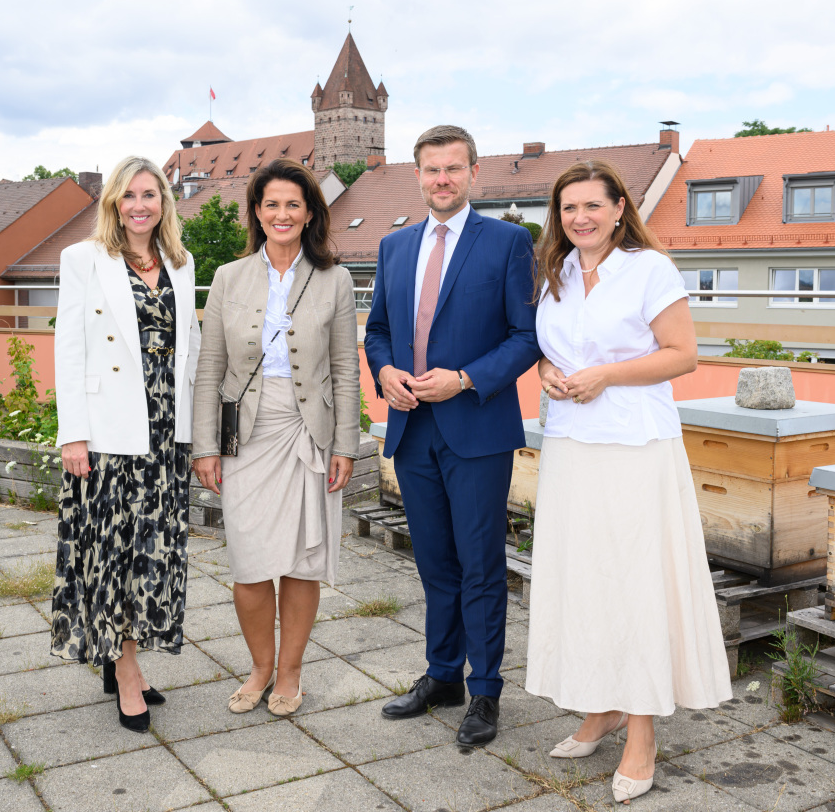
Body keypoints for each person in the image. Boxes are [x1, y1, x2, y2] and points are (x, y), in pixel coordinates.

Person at [525, 160, 733, 803]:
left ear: (620, 208)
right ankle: (602, 706)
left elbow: (683, 354)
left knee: (634, 582)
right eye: (568, 208)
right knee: (584, 580)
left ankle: (641, 731)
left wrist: (606, 376)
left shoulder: (650, 268)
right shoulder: (554, 272)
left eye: (593, 206)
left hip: (634, 445)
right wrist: (548, 372)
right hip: (568, 444)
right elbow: (548, 347)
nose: (580, 218)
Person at [364, 125, 540, 748]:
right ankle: (443, 676)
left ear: (473, 173)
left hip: (477, 429)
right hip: (412, 429)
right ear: (417, 174)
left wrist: (465, 379)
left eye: (453, 169)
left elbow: (526, 337)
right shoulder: (395, 246)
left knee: (481, 567)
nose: (442, 179)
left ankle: (486, 689)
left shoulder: (510, 243)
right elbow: (378, 327)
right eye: (431, 169)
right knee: (435, 563)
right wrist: (384, 370)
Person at [191, 157, 359, 718]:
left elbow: (345, 369)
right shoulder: (227, 277)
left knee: (300, 561)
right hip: (248, 433)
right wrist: (204, 445)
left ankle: (290, 673)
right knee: (250, 560)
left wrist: (345, 445)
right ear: (257, 213)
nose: (282, 214)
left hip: (309, 430)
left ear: (309, 212)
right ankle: (259, 666)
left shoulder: (335, 279)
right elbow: (208, 367)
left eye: (293, 204)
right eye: (271, 205)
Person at [51, 156, 202, 734]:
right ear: (113, 201)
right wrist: (74, 433)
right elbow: (69, 349)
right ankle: (128, 670)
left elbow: (189, 350)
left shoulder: (181, 264)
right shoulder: (84, 259)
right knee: (113, 554)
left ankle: (122, 659)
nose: (140, 205)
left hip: (165, 429)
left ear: (164, 201)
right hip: (110, 432)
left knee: (154, 553)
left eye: (151, 194)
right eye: (129, 195)